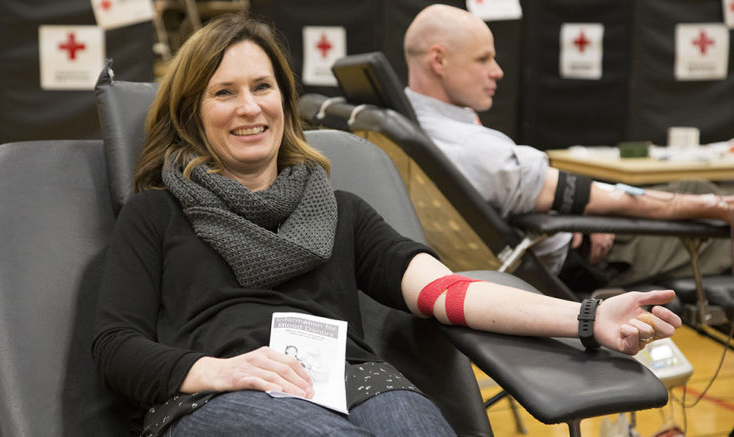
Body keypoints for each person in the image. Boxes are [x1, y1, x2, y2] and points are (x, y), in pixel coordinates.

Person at [92, 13, 682, 437]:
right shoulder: (158, 212)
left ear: (285, 99)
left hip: (358, 384)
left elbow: (447, 291)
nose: (250, 107)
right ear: (193, 111)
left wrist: (586, 317)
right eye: (224, 92)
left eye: (262, 87)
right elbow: (116, 348)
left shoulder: (339, 210)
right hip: (219, 398)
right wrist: (214, 371)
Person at [403, 4, 734, 290]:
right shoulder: (474, 150)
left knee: (693, 188)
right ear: (439, 60)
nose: (498, 71)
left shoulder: (400, 122)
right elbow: (606, 200)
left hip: (547, 232)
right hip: (591, 258)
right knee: (702, 192)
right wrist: (717, 206)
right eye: (483, 58)